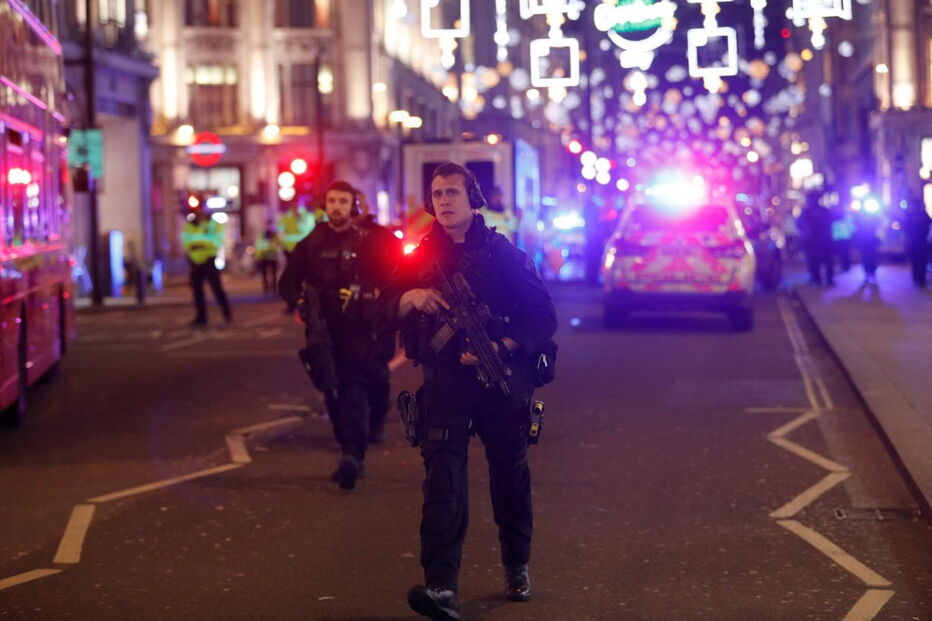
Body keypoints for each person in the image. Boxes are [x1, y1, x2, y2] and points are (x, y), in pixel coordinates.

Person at [374, 163, 557, 620]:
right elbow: (381, 311)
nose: (444, 201)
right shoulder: (418, 257)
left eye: (453, 191)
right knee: (443, 484)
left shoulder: (506, 256)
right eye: (437, 193)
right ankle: (441, 586)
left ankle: (516, 565)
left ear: (473, 197)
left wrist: (501, 344)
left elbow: (543, 318)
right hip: (446, 387)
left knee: (510, 479)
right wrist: (409, 298)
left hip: (502, 385)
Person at [278, 181, 398, 490]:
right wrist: (300, 301)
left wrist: (376, 299)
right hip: (323, 329)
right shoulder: (312, 242)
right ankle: (346, 442)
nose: (337, 207)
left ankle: (352, 453)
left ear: (353, 206)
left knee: (353, 383)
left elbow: (392, 276)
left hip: (359, 328)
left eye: (343, 201)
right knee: (330, 386)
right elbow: (288, 281)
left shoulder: (367, 242)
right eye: (332, 201)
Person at [353, 191, 403, 443]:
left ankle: (377, 419)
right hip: (347, 316)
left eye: (357, 203)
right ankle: (355, 425)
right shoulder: (334, 236)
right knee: (349, 372)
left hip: (378, 312)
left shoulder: (382, 236)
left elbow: (402, 269)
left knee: (376, 369)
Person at [181, 206, 232, 326]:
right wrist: (199, 245)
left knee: (216, 288)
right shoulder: (190, 225)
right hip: (195, 261)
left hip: (209, 259)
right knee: (197, 291)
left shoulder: (213, 224)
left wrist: (200, 244)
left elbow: (218, 241)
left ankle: (227, 313)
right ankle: (201, 317)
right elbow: (185, 241)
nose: (199, 212)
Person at [277, 204, 316, 312]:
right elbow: (281, 232)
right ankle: (293, 304)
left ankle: (303, 303)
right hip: (290, 250)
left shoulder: (306, 216)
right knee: (292, 279)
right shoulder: (287, 217)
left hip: (304, 251)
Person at [798, 190, 835, 286]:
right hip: (821, 240)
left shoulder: (807, 212)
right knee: (822, 260)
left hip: (815, 240)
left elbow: (800, 225)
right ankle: (824, 279)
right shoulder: (822, 211)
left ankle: (818, 279)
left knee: (815, 260)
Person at [904, 193, 931, 288]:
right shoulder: (918, 215)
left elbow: (906, 227)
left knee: (919, 260)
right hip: (918, 241)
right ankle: (919, 278)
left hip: (918, 241)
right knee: (918, 260)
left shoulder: (920, 215)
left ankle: (919, 278)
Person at [255, 223, 282, 295]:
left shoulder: (274, 235)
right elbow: (258, 246)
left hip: (272, 257)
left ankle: (272, 288)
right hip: (265, 257)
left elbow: (279, 243)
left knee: (273, 274)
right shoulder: (262, 235)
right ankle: (266, 288)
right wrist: (258, 256)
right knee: (265, 274)